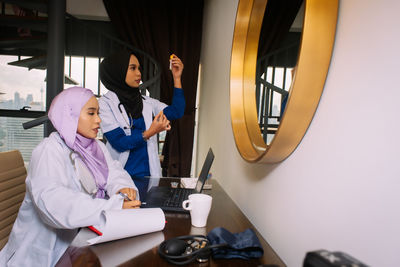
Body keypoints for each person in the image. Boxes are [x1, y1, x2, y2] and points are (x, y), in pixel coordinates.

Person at [0, 87, 141, 267]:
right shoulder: (48, 151)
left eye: (98, 113)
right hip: (45, 250)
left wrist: (121, 187)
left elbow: (114, 171)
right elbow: (55, 203)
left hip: (77, 237)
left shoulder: (95, 147)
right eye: (91, 113)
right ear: (69, 115)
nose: (98, 119)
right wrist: (111, 207)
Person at [98, 51, 185, 199]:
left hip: (148, 178)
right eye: (133, 68)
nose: (139, 73)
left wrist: (177, 78)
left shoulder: (145, 101)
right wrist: (149, 132)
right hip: (122, 180)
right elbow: (120, 143)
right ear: (118, 71)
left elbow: (176, 111)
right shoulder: (105, 104)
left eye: (139, 68)